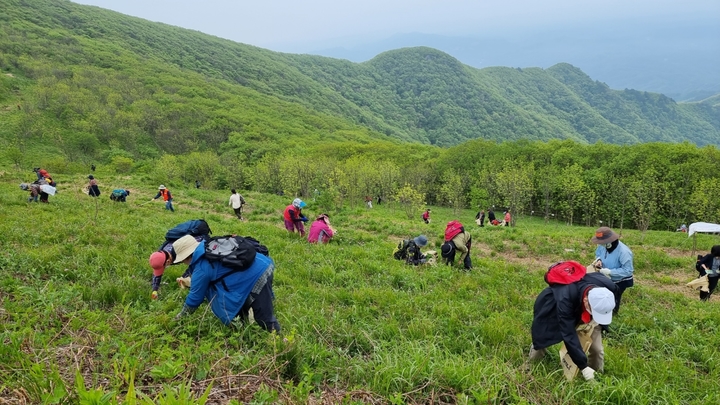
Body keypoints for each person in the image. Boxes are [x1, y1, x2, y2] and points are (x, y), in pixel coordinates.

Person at [528, 261, 618, 381]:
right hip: (555, 307)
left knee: (597, 349)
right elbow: (568, 333)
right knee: (543, 337)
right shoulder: (565, 299)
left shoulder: (609, 288)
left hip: (586, 308)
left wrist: (598, 317)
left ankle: (597, 378)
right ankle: (532, 367)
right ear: (586, 301)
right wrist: (583, 366)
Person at [172, 235, 281, 332]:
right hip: (262, 261)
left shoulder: (201, 268)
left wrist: (180, 317)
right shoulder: (209, 246)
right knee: (244, 304)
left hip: (258, 273)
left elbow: (194, 298)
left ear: (186, 257)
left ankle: (279, 339)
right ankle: (244, 329)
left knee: (262, 315)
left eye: (182, 260)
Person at [591, 227, 634, 315]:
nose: (600, 245)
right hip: (605, 276)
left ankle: (613, 314)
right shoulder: (602, 245)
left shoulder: (624, 252)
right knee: (604, 295)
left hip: (620, 280)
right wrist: (599, 260)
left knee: (614, 297)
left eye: (602, 243)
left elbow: (628, 270)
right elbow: (598, 253)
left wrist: (610, 272)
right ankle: (602, 311)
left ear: (610, 242)